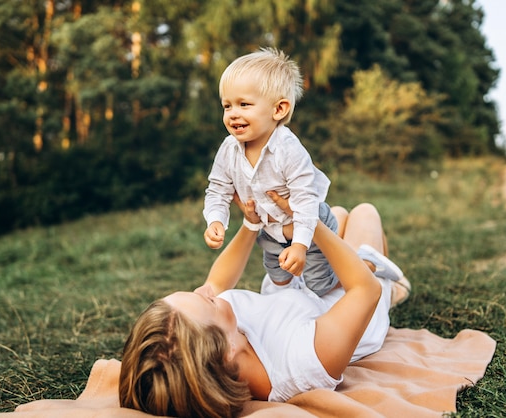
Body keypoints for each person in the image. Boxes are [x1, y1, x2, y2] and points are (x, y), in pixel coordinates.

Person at [119, 193, 411, 418]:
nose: (206, 292)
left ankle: (388, 281)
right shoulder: (299, 365)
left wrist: (251, 223)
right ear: (227, 349)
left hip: (300, 297)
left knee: (338, 214)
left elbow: (216, 282)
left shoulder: (211, 339)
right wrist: (308, 221)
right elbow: (364, 290)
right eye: (206, 301)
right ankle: (391, 287)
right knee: (363, 213)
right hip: (349, 300)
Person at [203, 47, 340, 297]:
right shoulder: (229, 149)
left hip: (309, 226)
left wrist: (300, 245)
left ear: (278, 110)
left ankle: (363, 262)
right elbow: (218, 190)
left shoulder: (288, 150)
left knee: (321, 285)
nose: (233, 113)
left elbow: (305, 201)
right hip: (270, 232)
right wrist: (215, 220)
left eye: (244, 104)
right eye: (227, 106)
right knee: (278, 281)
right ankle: (290, 299)